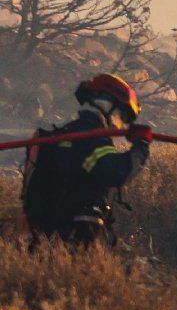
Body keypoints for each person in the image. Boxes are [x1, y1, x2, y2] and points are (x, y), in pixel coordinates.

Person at [18, 73, 152, 247]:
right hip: (73, 239)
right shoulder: (89, 137)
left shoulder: (67, 134)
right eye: (122, 116)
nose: (121, 126)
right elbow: (116, 172)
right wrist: (141, 146)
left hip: (47, 237)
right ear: (106, 105)